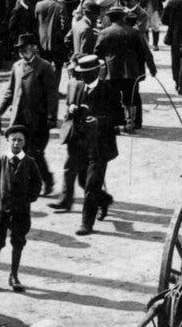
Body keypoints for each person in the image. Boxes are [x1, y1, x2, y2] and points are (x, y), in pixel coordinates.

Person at [49, 55, 122, 235]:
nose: (83, 76)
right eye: (81, 73)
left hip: (100, 146)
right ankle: (103, 200)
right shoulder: (76, 86)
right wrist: (71, 111)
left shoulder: (109, 90)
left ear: (97, 71)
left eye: (87, 73)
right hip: (79, 143)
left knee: (91, 185)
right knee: (83, 180)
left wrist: (99, 121)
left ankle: (86, 224)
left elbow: (120, 117)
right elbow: (69, 111)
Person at [0, 125, 41, 294]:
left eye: (20, 140)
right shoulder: (1, 160)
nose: (16, 143)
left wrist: (29, 197)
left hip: (21, 211)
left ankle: (14, 276)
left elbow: (37, 183)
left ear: (24, 142)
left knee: (18, 242)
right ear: (8, 141)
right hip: (1, 211)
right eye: (13, 139)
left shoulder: (29, 162)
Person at [0, 35, 57, 195]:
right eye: (19, 48)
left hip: (37, 118)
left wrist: (51, 116)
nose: (21, 51)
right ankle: (23, 183)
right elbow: (10, 90)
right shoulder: (17, 66)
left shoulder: (44, 66)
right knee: (19, 151)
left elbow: (51, 94)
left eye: (25, 47)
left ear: (34, 47)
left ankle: (46, 180)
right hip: (18, 118)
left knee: (35, 153)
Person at [93, 7, 156, 134]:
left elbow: (97, 52)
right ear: (123, 17)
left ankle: (115, 124)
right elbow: (145, 52)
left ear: (109, 18)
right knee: (132, 97)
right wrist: (152, 68)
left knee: (113, 98)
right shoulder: (134, 32)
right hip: (131, 71)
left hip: (112, 71)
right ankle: (132, 123)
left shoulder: (104, 33)